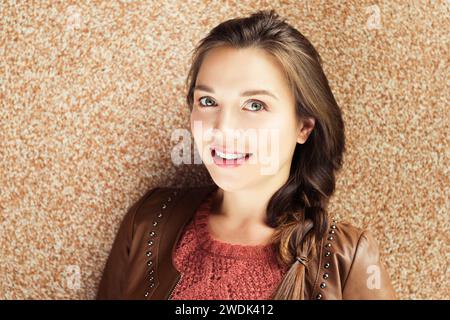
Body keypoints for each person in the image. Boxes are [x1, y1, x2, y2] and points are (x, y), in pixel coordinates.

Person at [96, 9, 396, 300]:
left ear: (303, 126)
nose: (223, 129)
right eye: (208, 101)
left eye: (255, 105)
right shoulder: (149, 221)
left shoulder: (347, 258)